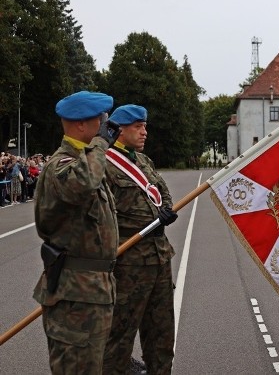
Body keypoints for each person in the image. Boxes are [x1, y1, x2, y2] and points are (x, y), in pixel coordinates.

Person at [32, 90, 120, 373]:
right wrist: (100, 145)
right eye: (100, 120)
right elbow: (81, 184)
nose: (104, 126)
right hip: (75, 298)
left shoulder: (86, 160)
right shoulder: (63, 165)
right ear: (81, 124)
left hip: (92, 292)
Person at [103, 104, 178, 375]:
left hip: (159, 258)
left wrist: (164, 213)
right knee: (118, 339)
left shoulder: (143, 161)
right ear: (119, 130)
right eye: (138, 127)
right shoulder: (104, 165)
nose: (144, 132)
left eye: (145, 126)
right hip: (128, 265)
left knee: (161, 336)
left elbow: (163, 193)